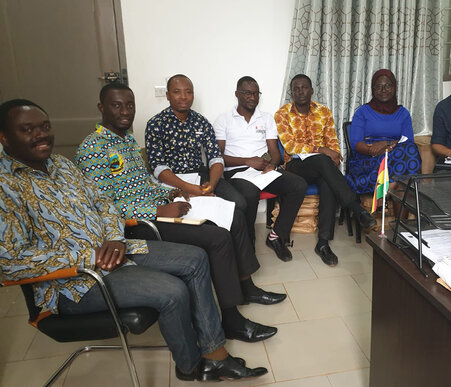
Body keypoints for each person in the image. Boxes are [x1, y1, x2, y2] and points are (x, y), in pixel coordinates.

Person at [0, 99, 267, 381]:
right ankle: (191, 365)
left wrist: (115, 238)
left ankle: (214, 355)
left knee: (195, 258)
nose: (40, 135)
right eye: (27, 130)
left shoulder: (61, 165)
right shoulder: (6, 186)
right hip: (76, 280)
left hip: (117, 247)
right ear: (4, 137)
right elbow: (8, 261)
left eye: (44, 127)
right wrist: (92, 256)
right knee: (173, 290)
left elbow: (103, 203)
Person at [75, 83, 286, 344]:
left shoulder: (126, 140)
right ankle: (232, 320)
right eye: (116, 105)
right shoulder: (93, 149)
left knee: (233, 212)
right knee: (217, 238)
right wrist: (160, 207)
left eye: (129, 105)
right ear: (101, 108)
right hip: (140, 223)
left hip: (169, 198)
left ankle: (246, 287)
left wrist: (172, 195)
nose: (125, 111)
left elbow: (145, 182)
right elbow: (104, 204)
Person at [274, 74, 376, 266]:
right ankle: (355, 208)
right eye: (296, 88)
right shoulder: (282, 113)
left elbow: (333, 143)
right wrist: (322, 151)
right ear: (292, 92)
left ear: (311, 90)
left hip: (321, 166)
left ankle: (322, 244)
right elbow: (290, 146)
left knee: (327, 179)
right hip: (295, 166)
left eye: (304, 87)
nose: (300, 91)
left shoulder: (324, 112)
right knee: (323, 160)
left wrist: (334, 155)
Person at [214, 76, 307, 261]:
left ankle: (276, 236)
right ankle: (248, 247)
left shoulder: (266, 119)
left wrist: (271, 164)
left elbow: (274, 152)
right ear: (237, 94)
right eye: (248, 93)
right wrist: (247, 161)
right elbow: (218, 157)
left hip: (263, 170)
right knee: (249, 194)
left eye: (256, 93)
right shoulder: (223, 120)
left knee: (298, 184)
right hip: (237, 171)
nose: (252, 97)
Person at [145, 74, 246, 212]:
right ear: (168, 95)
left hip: (200, 175)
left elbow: (216, 158)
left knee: (239, 204)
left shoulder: (201, 122)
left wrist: (211, 185)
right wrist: (190, 188)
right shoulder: (156, 124)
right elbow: (158, 167)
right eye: (176, 92)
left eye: (188, 92)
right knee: (194, 210)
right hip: (171, 180)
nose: (183, 97)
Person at [347, 69, 417, 193]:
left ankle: (387, 191)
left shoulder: (403, 113)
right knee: (403, 166)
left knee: (409, 150)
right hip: (368, 159)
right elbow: (356, 143)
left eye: (387, 86)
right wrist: (374, 150)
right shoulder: (362, 112)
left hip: (395, 153)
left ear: (394, 87)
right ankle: (392, 189)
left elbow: (408, 141)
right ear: (372, 89)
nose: (383, 90)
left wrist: (386, 144)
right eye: (378, 86)